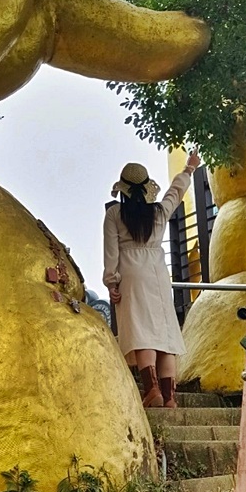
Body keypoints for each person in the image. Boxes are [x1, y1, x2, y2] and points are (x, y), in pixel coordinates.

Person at [103, 150, 201, 409]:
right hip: (157, 272)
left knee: (142, 333)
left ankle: (152, 389)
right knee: (164, 334)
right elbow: (175, 194)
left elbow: (110, 252)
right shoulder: (158, 212)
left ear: (123, 190)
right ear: (147, 188)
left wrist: (112, 282)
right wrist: (189, 169)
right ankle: (169, 398)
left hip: (131, 273)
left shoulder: (114, 215)